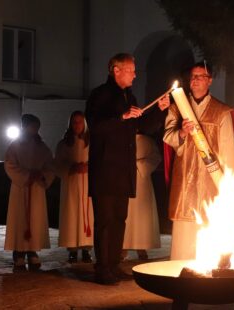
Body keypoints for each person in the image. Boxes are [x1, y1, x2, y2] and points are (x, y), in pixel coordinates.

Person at [85, 53, 170, 285]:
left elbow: (140, 125)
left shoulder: (128, 95)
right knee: (104, 221)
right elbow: (96, 126)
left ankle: (113, 264)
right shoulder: (100, 95)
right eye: (131, 69)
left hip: (123, 171)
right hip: (105, 169)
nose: (135, 74)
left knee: (119, 219)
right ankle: (102, 268)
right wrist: (121, 117)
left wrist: (160, 110)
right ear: (116, 70)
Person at [163, 62, 234, 260]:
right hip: (185, 174)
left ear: (210, 80)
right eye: (193, 76)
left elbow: (228, 149)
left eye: (200, 76)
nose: (195, 80)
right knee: (184, 224)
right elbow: (168, 137)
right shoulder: (177, 108)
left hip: (210, 178)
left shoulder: (221, 111)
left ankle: (208, 264)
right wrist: (181, 132)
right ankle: (180, 265)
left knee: (210, 219)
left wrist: (230, 184)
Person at [4, 114, 55, 269]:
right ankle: (18, 251)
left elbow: (50, 166)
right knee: (20, 218)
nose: (34, 130)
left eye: (36, 127)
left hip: (36, 188)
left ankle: (32, 249)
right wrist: (27, 175)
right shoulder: (14, 146)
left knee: (35, 218)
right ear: (24, 127)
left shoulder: (42, 146)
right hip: (21, 188)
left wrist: (41, 175)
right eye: (32, 127)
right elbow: (10, 165)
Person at [54, 111, 93, 263]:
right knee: (71, 214)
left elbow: (99, 160)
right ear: (70, 124)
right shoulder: (64, 144)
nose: (77, 125)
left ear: (85, 124)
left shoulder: (92, 142)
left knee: (88, 215)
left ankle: (87, 248)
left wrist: (88, 167)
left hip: (88, 182)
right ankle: (72, 249)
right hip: (71, 184)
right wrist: (71, 168)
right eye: (74, 122)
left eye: (80, 122)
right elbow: (57, 164)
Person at [122, 133, 161, 260]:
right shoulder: (120, 138)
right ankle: (122, 247)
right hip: (124, 181)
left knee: (140, 218)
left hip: (141, 183)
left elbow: (155, 157)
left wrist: (139, 165)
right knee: (125, 214)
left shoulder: (146, 141)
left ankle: (141, 246)